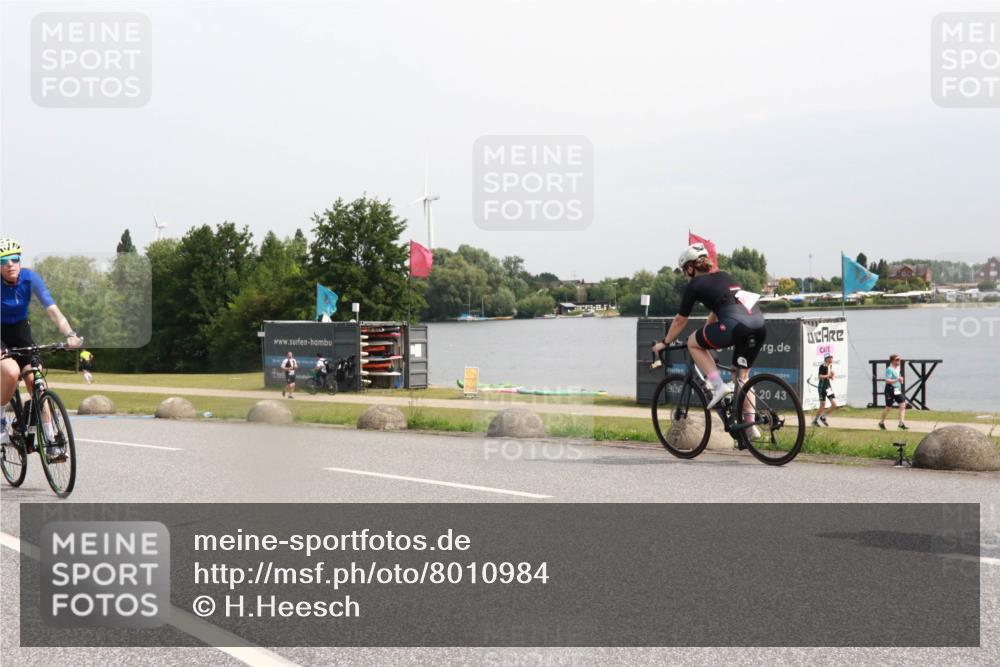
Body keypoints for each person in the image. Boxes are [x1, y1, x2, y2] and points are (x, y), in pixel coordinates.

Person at [652, 242, 767, 438]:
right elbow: (716, 309)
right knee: (741, 378)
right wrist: (707, 336)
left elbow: (680, 320)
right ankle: (749, 424)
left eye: (683, 271)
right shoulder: (725, 276)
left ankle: (717, 386)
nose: (684, 275)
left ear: (690, 267)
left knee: (691, 341)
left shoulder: (694, 285)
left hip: (735, 325)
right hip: (758, 324)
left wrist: (665, 342)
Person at [1, 238, 82, 454]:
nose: (10, 264)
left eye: (15, 259)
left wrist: (70, 334)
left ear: (20, 261)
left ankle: (49, 438)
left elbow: (52, 310)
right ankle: (0, 419)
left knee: (36, 381)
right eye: (4, 260)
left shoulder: (30, 279)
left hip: (21, 332)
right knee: (10, 372)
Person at [879, 354, 908, 430]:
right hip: (890, 389)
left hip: (897, 389)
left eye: (899, 359)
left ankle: (901, 424)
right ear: (892, 361)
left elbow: (898, 376)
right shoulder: (889, 369)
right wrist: (897, 380)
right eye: (897, 360)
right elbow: (887, 380)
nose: (899, 361)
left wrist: (901, 379)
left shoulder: (898, 368)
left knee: (902, 405)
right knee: (888, 407)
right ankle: (881, 422)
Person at [813, 354, 838, 427]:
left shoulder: (830, 366)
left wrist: (832, 376)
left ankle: (823, 417)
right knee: (822, 405)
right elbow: (820, 376)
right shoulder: (822, 366)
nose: (832, 359)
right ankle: (815, 421)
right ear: (827, 359)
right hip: (822, 387)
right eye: (830, 357)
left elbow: (829, 377)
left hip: (828, 388)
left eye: (832, 357)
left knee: (834, 404)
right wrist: (828, 376)